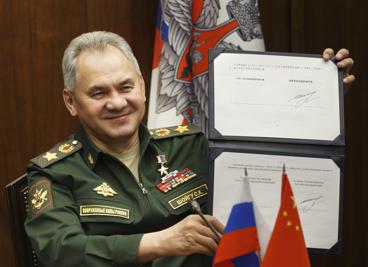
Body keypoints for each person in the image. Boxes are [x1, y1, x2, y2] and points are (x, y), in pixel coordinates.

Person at [24, 31, 354, 267]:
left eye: (125, 87)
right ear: (71, 102)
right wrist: (160, 242)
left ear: (141, 85)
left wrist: (322, 98)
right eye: (98, 94)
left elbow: (263, 150)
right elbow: (59, 250)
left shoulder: (189, 145)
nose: (117, 102)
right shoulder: (54, 170)